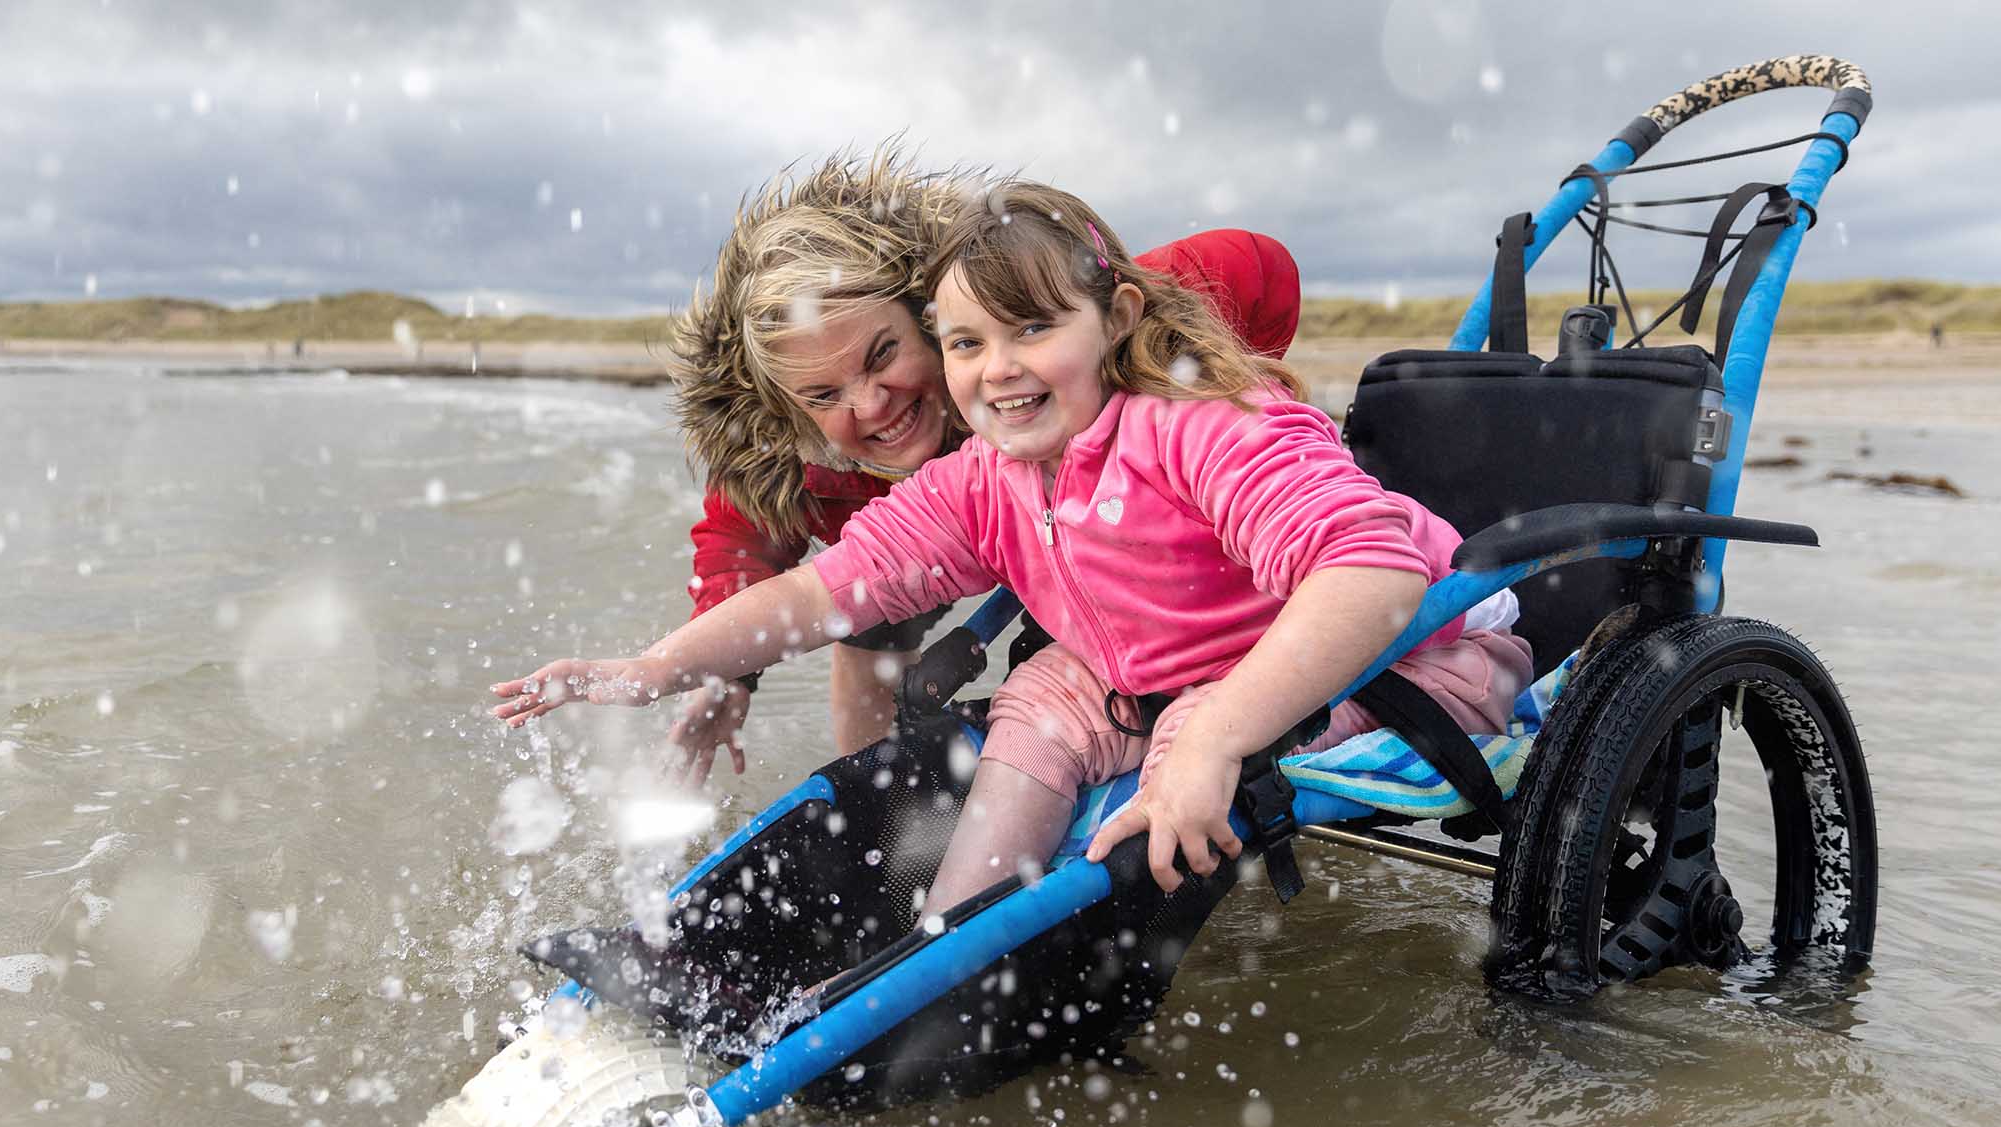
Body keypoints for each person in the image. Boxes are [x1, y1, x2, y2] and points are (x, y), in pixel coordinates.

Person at [494, 180, 1531, 910]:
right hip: (1147, 647)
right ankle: (954, 931)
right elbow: (829, 588)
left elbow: (1376, 571)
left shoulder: (1192, 412)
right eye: (967, 344)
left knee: (1185, 732)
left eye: (1028, 329)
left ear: (1115, 313)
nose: (994, 369)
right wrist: (655, 668)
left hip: (1399, 654)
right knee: (1034, 698)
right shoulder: (974, 473)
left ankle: (1083, 932)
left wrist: (1213, 737)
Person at [662, 150, 1300, 785]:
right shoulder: (788, 459)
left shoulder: (1013, 354)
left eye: (883, 355)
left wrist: (1191, 391)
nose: (871, 405)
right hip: (919, 553)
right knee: (866, 620)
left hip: (1086, 516)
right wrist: (726, 676)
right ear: (790, 411)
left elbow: (1258, 267)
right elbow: (736, 552)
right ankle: (882, 797)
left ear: (935, 317)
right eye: (823, 397)